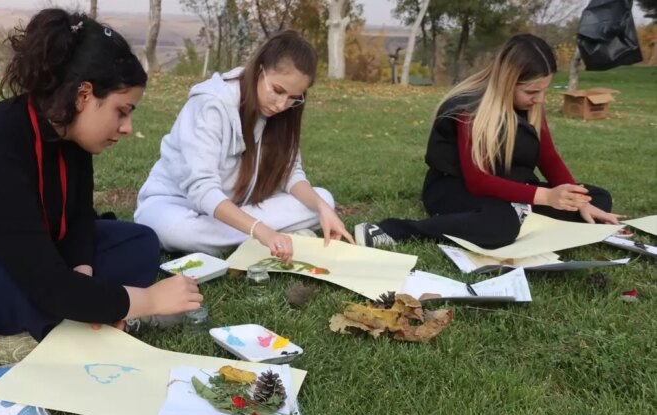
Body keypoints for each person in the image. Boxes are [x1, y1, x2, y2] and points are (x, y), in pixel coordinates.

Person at [0, 9, 201, 362]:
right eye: (121, 111)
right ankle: (27, 329)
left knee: (139, 243)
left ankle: (69, 311)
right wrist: (149, 300)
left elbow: (79, 219)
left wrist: (83, 275)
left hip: (17, 256)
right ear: (84, 95)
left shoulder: (70, 134)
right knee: (25, 287)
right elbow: (45, 282)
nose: (127, 127)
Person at [354, 34, 619, 249]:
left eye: (544, 90)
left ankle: (520, 211)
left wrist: (579, 200)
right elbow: (478, 181)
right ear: (507, 82)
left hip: (511, 186)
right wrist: (546, 196)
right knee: (501, 225)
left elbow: (548, 157)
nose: (539, 99)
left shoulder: (531, 106)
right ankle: (394, 230)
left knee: (598, 198)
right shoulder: (469, 109)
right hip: (456, 188)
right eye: (531, 91)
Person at [134, 30, 353, 263]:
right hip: (176, 206)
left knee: (324, 199)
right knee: (180, 233)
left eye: (293, 97)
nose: (282, 104)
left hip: (234, 210)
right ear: (259, 70)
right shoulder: (211, 104)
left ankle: (243, 233)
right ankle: (260, 233)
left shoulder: (283, 114)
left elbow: (289, 174)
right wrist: (261, 230)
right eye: (278, 90)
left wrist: (322, 209)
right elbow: (202, 189)